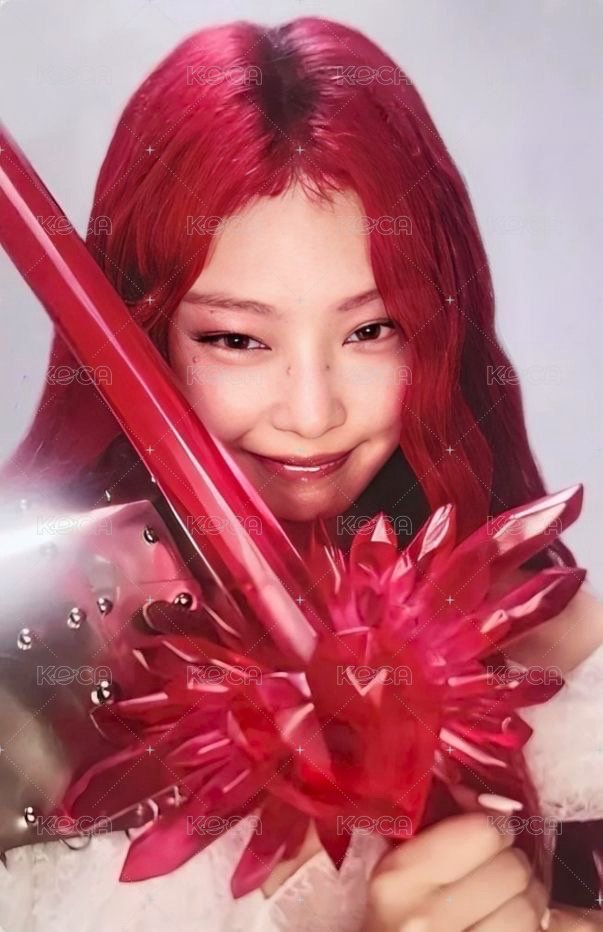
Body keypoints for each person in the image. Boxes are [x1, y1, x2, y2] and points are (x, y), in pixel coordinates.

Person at [1, 15, 602, 931]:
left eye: (370, 330)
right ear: (145, 333)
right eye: (237, 340)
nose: (312, 413)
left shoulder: (569, 662)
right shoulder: (40, 669)